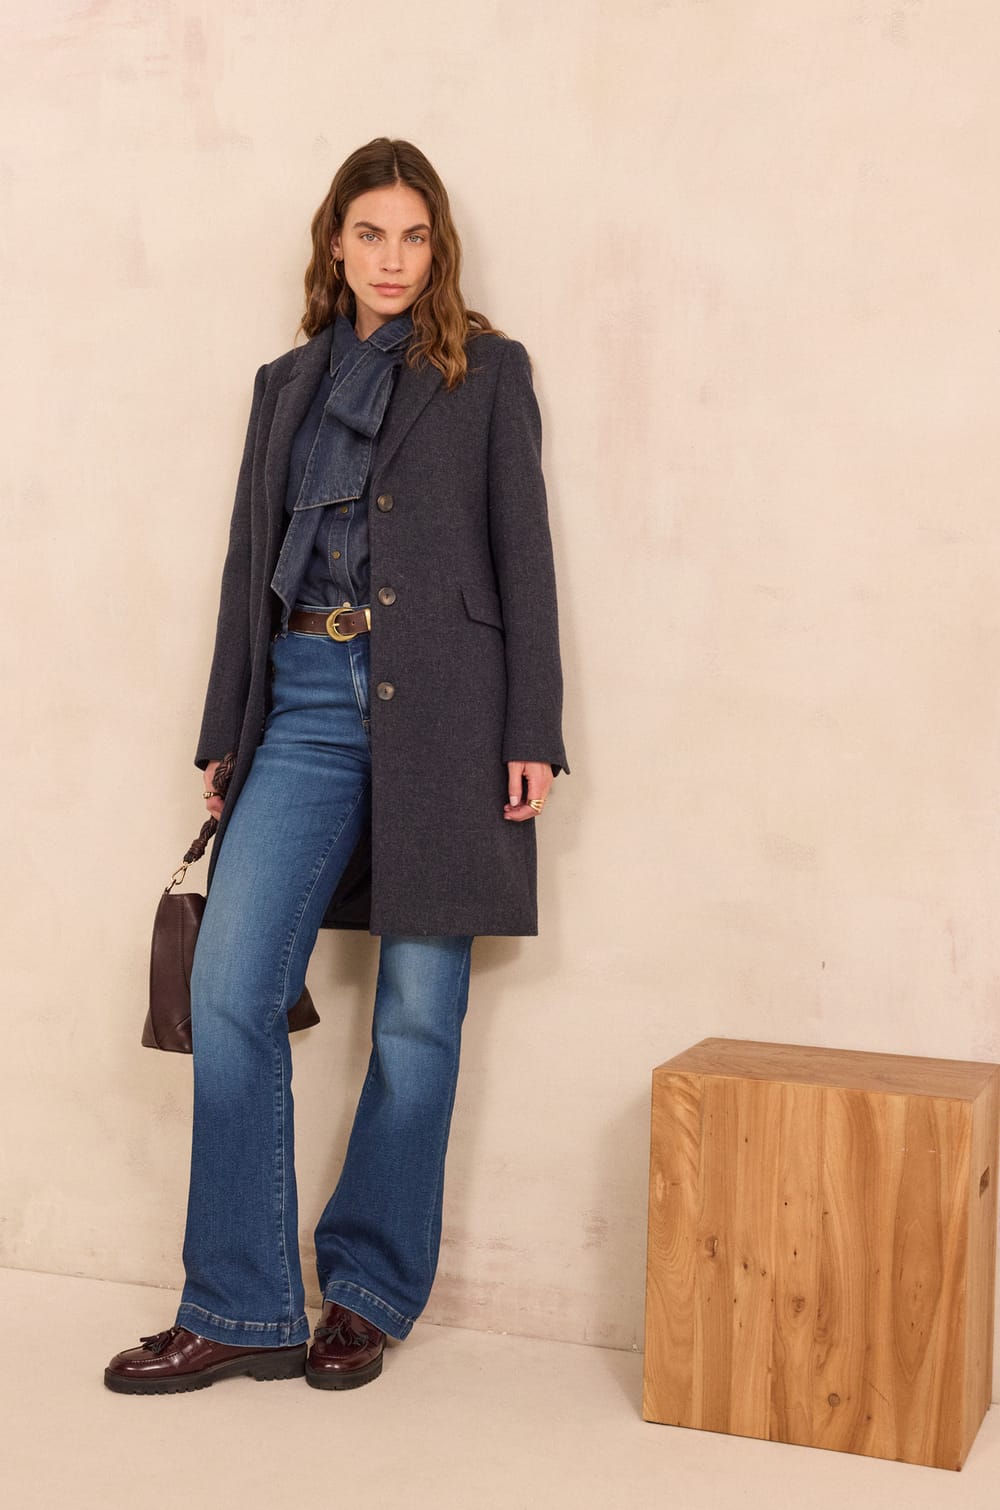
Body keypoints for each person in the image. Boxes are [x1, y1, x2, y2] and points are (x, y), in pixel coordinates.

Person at [105, 137, 568, 1395]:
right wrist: (227, 728)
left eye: (413, 236)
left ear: (437, 248)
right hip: (306, 697)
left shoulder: (486, 372)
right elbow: (244, 563)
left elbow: (523, 554)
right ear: (335, 244)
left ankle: (365, 1290)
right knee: (230, 986)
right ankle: (242, 1305)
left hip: (451, 713)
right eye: (370, 234)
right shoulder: (287, 385)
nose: (391, 259)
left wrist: (532, 729)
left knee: (418, 1011)